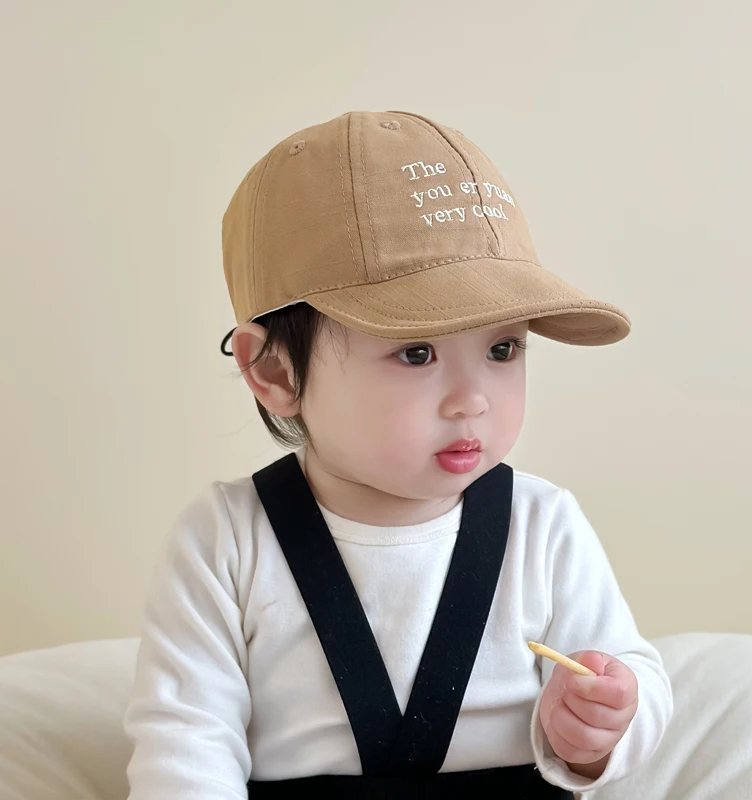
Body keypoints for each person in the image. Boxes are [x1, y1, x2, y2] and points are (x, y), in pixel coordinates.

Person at [123, 110, 673, 799]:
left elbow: (628, 671)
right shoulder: (227, 541)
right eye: (417, 352)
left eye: (502, 349)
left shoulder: (543, 525)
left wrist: (600, 728)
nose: (472, 400)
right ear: (274, 372)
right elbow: (185, 743)